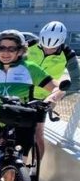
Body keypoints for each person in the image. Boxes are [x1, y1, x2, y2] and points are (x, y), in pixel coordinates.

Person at [0, 30, 62, 180]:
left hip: (21, 123)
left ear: (20, 51)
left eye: (11, 48)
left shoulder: (30, 68)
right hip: (0, 121)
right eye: (2, 48)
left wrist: (50, 99)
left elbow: (57, 88)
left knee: (13, 175)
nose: (5, 53)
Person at [26, 21, 78, 160]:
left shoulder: (68, 54)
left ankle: (35, 167)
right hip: (22, 92)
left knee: (37, 132)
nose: (47, 50)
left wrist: (58, 94)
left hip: (46, 98)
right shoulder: (29, 45)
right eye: (44, 46)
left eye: (52, 48)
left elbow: (77, 81)